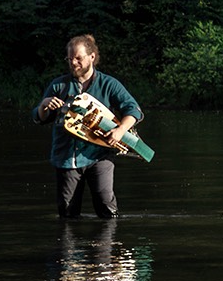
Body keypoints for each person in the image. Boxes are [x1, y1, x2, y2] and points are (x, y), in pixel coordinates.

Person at [32, 34, 142, 218]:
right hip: (66, 157)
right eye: (69, 59)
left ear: (92, 57)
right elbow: (39, 117)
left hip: (100, 155)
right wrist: (45, 104)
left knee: (106, 207)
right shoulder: (59, 86)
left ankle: (107, 244)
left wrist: (120, 130)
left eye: (78, 58)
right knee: (67, 212)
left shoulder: (109, 84)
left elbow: (134, 110)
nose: (73, 63)